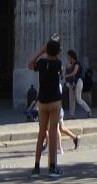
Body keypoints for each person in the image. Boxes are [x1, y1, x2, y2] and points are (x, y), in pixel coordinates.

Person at [28, 36, 64, 178]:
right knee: (53, 133)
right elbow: (60, 72)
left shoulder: (42, 63)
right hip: (55, 101)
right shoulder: (58, 63)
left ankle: (36, 167)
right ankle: (52, 167)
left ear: (46, 51)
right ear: (57, 52)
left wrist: (40, 52)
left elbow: (30, 65)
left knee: (41, 133)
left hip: (42, 102)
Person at [62, 52, 90, 118]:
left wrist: (67, 76)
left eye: (68, 56)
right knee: (71, 99)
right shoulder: (70, 64)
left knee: (78, 98)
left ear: (71, 56)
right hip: (71, 82)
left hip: (78, 82)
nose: (67, 57)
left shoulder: (77, 63)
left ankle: (88, 110)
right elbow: (67, 71)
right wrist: (67, 66)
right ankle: (71, 115)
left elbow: (74, 73)